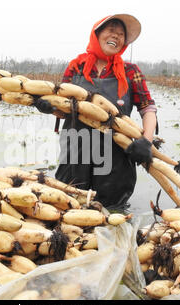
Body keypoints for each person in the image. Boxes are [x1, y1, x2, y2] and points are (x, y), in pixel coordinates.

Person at [35, 14, 158, 209]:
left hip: (115, 158)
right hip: (75, 152)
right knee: (69, 209)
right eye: (111, 31)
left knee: (113, 214)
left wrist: (146, 141)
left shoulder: (130, 71)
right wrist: (50, 108)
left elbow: (148, 108)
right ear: (97, 34)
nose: (116, 36)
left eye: (120, 34)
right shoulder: (76, 68)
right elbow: (64, 110)